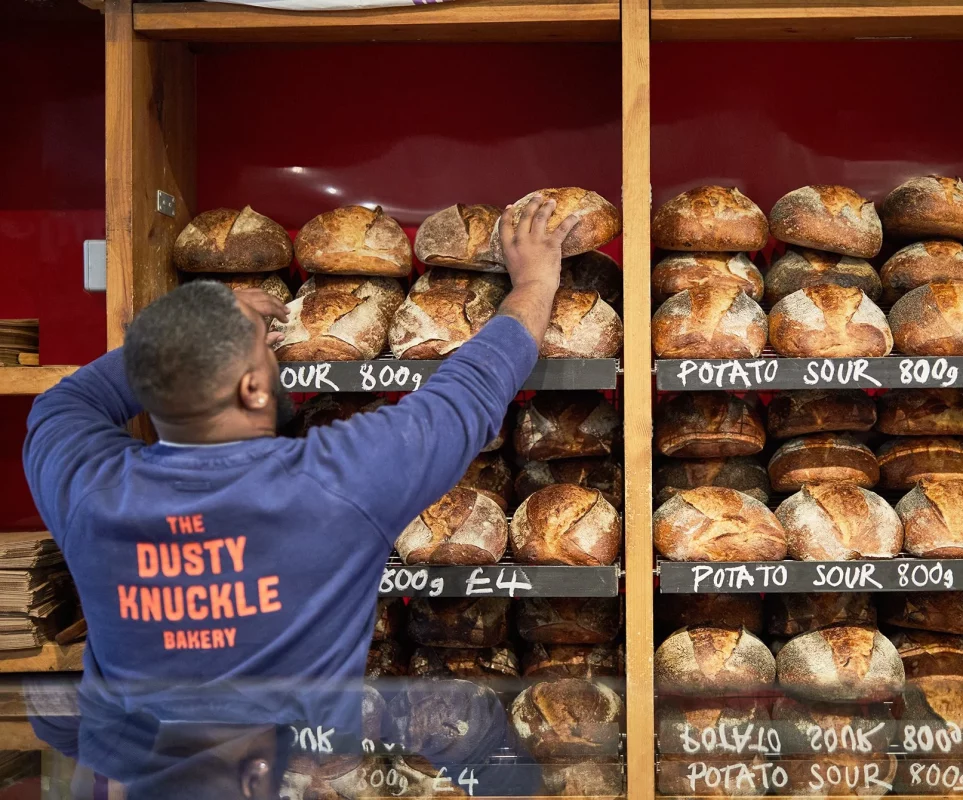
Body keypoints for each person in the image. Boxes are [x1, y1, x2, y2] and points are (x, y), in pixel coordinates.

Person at [22, 197, 580, 795]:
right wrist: (535, 283)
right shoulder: (336, 482)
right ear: (255, 387)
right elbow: (467, 395)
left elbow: (63, 405)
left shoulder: (87, 489)